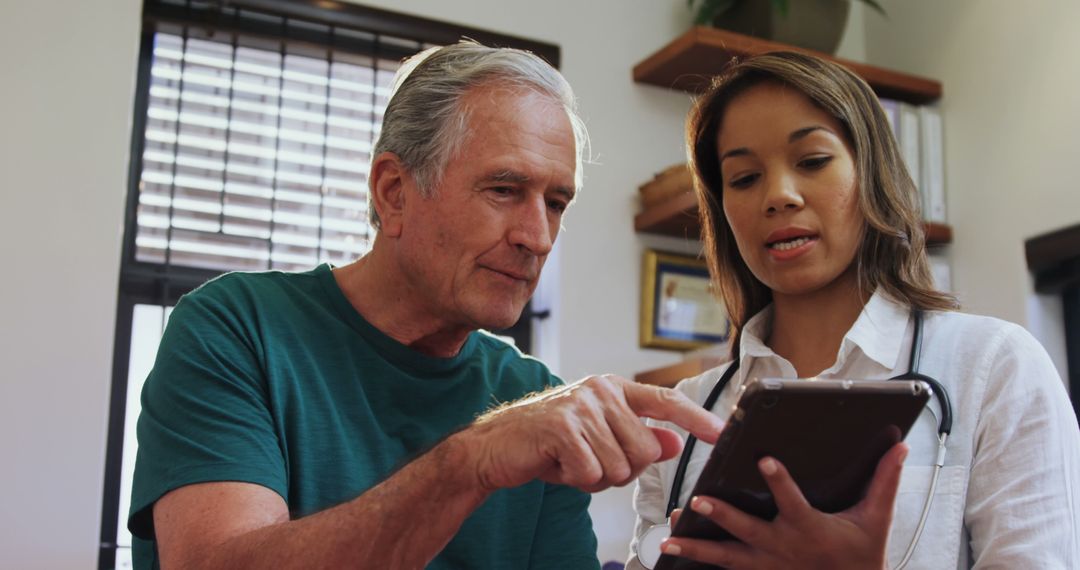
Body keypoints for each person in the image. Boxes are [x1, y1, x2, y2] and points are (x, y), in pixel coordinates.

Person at [128, 41, 729, 570]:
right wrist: (472, 461)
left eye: (555, 203)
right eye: (504, 190)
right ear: (393, 193)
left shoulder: (533, 391)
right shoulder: (236, 330)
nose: (538, 237)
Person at [627, 51, 1080, 569]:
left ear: (871, 174)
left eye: (813, 161)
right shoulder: (687, 414)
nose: (779, 195)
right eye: (745, 178)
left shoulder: (993, 367)